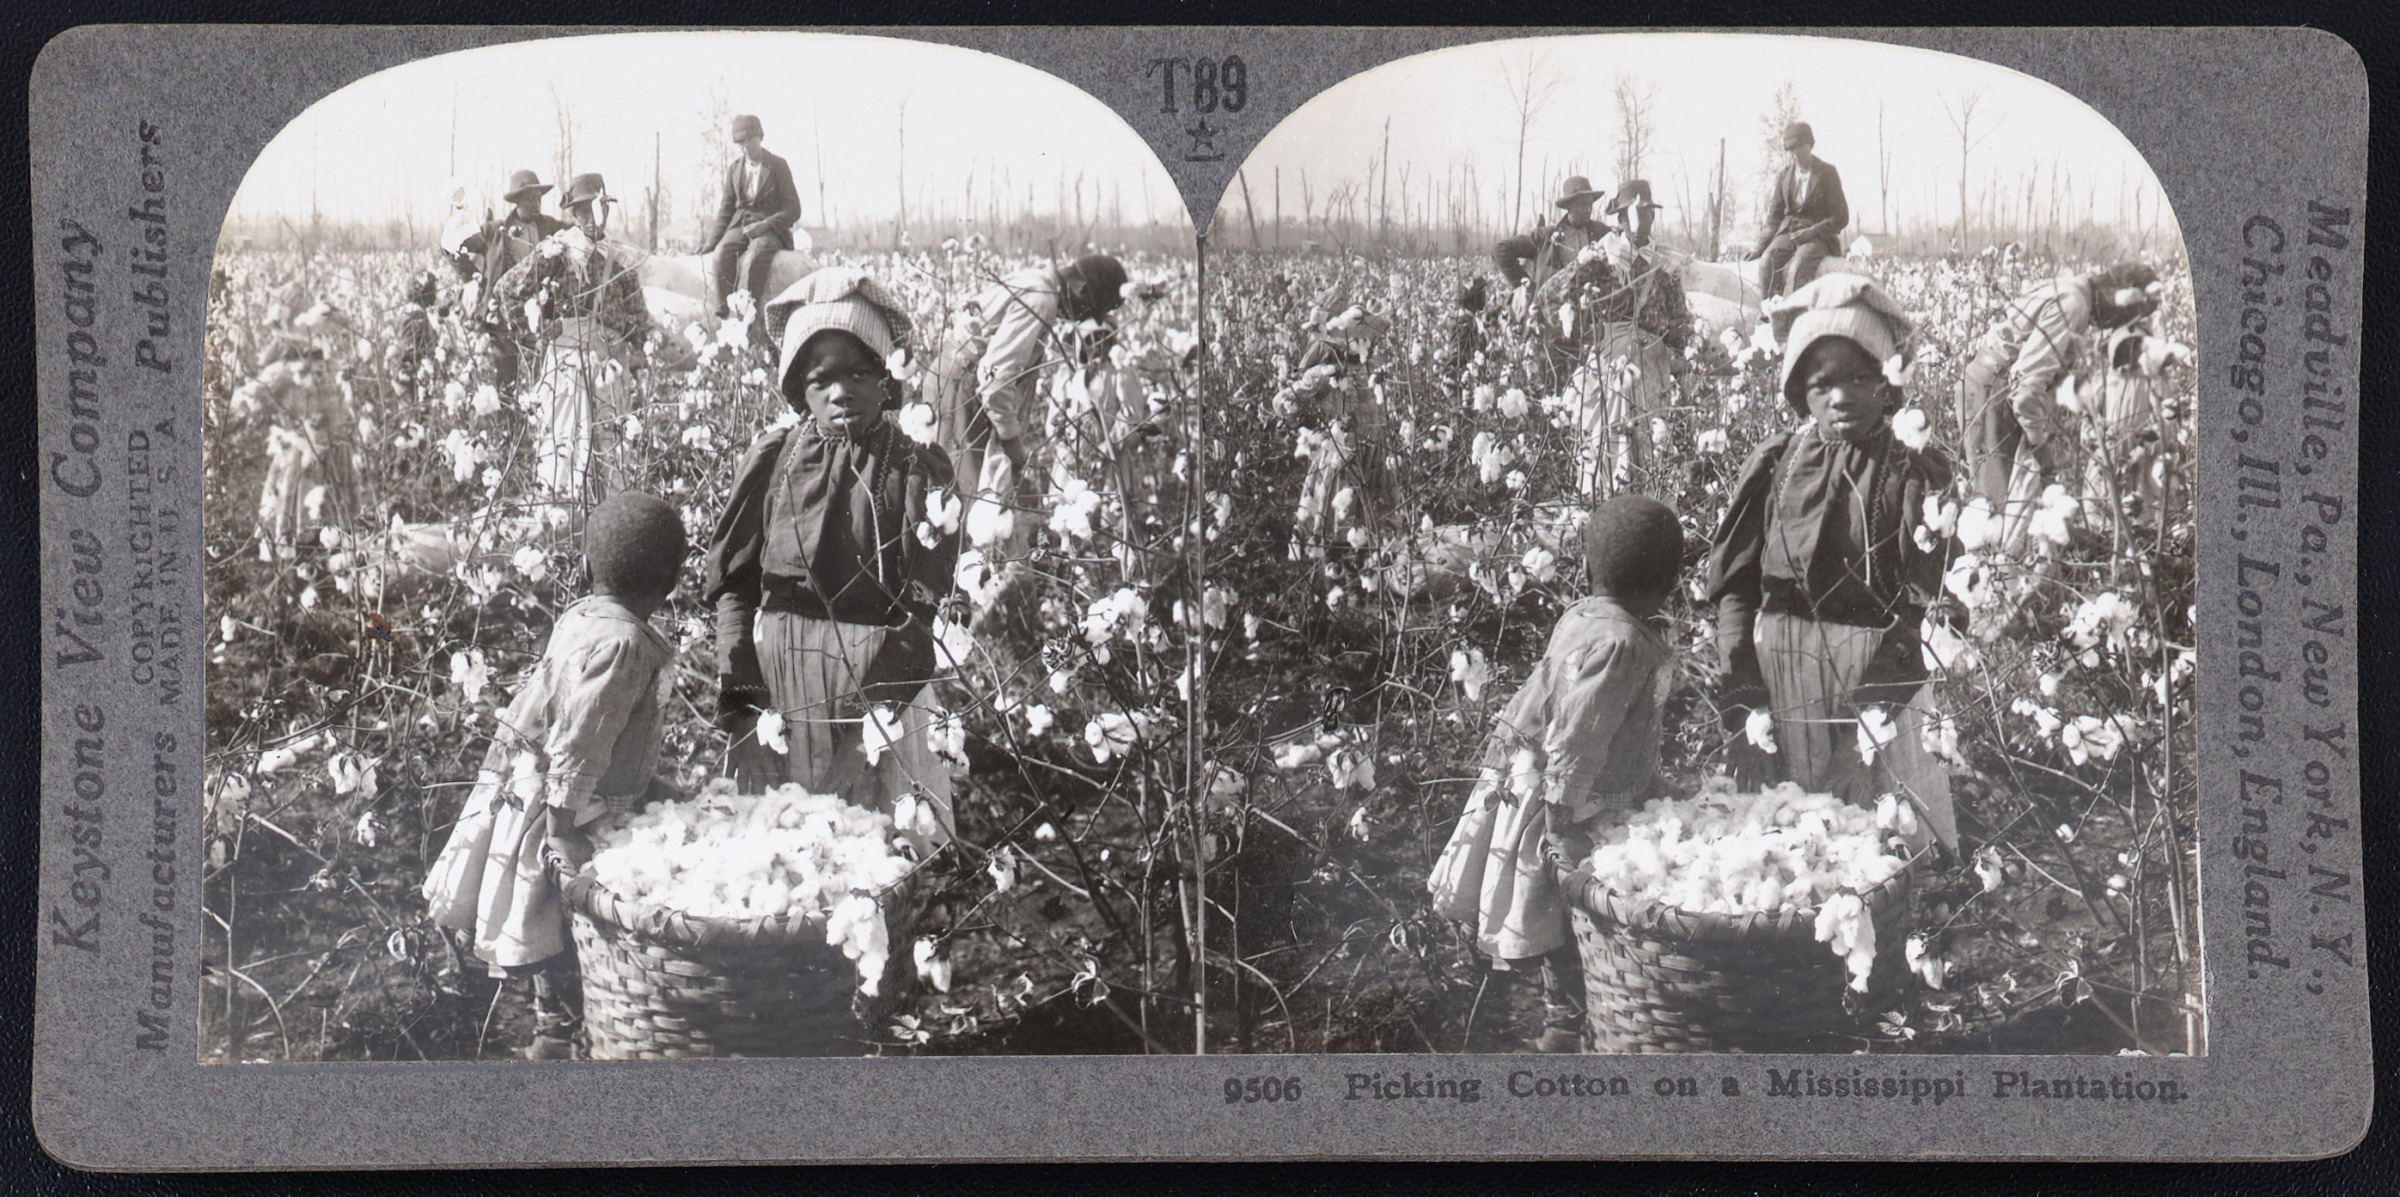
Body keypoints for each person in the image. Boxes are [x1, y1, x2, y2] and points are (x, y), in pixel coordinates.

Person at [422, 491, 688, 1060]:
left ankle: (558, 1027)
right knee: (567, 922)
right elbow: (582, 743)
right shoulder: (625, 646)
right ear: (672, 581)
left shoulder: (580, 618)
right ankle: (564, 1035)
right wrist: (562, 829)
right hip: (567, 807)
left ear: (589, 568)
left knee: (550, 920)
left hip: (532, 785)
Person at [706, 268, 959, 849]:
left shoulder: (917, 468)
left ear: (886, 379)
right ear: (799, 390)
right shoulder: (775, 460)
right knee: (781, 855)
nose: (840, 391)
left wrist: (866, 735)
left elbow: (921, 616)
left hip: (881, 692)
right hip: (781, 698)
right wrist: (744, 709)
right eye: (820, 380)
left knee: (875, 859)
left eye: (857, 372)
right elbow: (736, 589)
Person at [1706, 274, 1958, 848]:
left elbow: (1928, 614)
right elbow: (1737, 589)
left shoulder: (1915, 472)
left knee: (1879, 853)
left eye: (1858, 377)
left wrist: (1861, 735)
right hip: (1781, 693)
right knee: (1789, 855)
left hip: (1880, 690)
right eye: (1821, 384)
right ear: (1800, 393)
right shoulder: (1775, 463)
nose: (1840, 395)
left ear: (1888, 384)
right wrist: (1744, 705)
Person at [1428, 495, 1685, 1054]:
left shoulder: (1580, 617)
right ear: (1669, 583)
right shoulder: (1625, 646)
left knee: (1562, 921)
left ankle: (1567, 1022)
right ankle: (1570, 1031)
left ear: (1588, 570)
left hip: (1536, 780)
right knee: (1573, 922)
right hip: (1565, 801)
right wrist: (1562, 820)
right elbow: (1580, 734)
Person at [930, 254, 1129, 558]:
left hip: (954, 381)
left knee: (952, 498)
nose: (1078, 319)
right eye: (1087, 309)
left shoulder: (1035, 282)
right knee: (964, 506)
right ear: (1079, 289)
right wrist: (1012, 442)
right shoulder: (1042, 300)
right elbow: (993, 378)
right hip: (963, 392)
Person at [495, 172, 656, 508]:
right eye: (581, 211)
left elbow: (639, 317)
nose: (589, 217)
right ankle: (563, 524)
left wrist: (651, 342)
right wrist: (533, 334)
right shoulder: (559, 251)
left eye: (595, 209)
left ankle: (614, 522)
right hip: (568, 363)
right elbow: (508, 290)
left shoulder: (620, 258)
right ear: (574, 215)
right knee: (566, 444)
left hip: (610, 368)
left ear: (606, 211)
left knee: (612, 446)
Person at [1954, 262, 2162, 523]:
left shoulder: (2071, 287)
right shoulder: (2074, 305)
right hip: (1994, 396)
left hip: (1986, 388)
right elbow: (2025, 386)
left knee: (2006, 508)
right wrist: (2039, 443)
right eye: (2121, 316)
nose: (2110, 326)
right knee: (2001, 515)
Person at [1539, 179, 1694, 493]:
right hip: (1611, 362)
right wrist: (1577, 327)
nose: (1642, 220)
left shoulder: (1665, 267)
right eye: (1634, 214)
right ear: (1621, 220)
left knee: (1649, 442)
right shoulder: (1602, 258)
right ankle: (1605, 515)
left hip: (1651, 366)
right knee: (1606, 443)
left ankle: (1650, 517)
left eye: (1647, 214)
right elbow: (1550, 295)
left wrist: (1686, 355)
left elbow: (1680, 324)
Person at [1276, 280, 1394, 555]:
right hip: (1341, 455)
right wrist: (1310, 429)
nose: (1369, 345)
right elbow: (1282, 399)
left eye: (1368, 340)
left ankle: (1362, 562)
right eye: (1361, 339)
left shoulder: (1369, 368)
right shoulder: (1326, 373)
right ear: (1344, 341)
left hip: (1372, 452)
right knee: (1337, 520)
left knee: (1370, 522)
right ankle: (1333, 566)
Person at [453, 169, 572, 393]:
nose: (535, 203)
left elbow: (579, 234)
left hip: (540, 316)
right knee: (507, 380)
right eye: (528, 198)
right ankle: (509, 423)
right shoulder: (495, 232)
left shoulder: (551, 228)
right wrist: (470, 277)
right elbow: (452, 245)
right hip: (501, 318)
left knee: (543, 380)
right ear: (517, 201)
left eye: (538, 197)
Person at [705, 114, 804, 323]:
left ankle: (747, 313)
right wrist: (711, 242)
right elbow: (725, 210)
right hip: (740, 226)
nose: (745, 147)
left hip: (770, 229)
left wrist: (766, 225)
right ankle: (724, 310)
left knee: (754, 257)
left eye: (749, 140)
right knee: (721, 253)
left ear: (760, 137)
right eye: (740, 143)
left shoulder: (778, 166)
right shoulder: (734, 169)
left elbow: (793, 208)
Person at [1746, 123, 1849, 300]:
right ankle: (1768, 316)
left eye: (1800, 147)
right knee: (1766, 262)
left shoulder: (1827, 173)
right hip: (1789, 234)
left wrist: (1812, 232)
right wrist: (1759, 246)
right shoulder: (1785, 176)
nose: (1796, 153)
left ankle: (1791, 316)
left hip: (1818, 237)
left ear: (1810, 144)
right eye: (1791, 149)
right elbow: (1774, 217)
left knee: (1798, 267)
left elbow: (1841, 216)